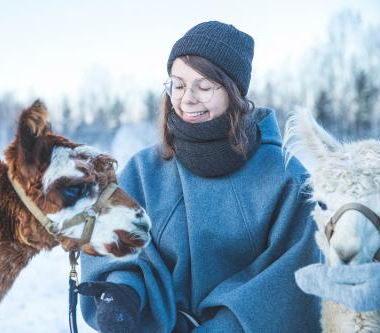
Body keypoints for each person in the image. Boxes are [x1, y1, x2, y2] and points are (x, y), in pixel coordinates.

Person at [78, 21, 321, 332]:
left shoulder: (285, 177)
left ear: (234, 91)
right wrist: (123, 292)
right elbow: (122, 244)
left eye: (204, 86)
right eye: (178, 85)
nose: (187, 98)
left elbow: (287, 280)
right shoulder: (143, 169)